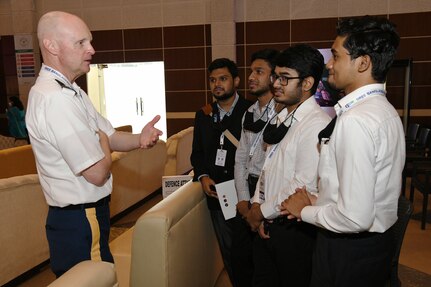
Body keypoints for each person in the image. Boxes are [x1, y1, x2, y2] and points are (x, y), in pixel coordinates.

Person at [26, 11, 163, 277]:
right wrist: (101, 139)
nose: (92, 49)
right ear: (51, 46)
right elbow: (98, 172)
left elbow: (110, 136)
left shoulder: (71, 90)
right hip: (79, 218)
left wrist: (139, 139)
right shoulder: (55, 99)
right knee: (95, 280)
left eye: (89, 41)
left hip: (83, 217)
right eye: (81, 43)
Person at [281, 16, 405, 287]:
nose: (329, 64)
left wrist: (304, 211)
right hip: (372, 248)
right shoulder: (384, 110)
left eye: (336, 56)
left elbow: (354, 217)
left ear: (363, 63)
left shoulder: (356, 120)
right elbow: (366, 194)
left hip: (348, 251)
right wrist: (320, 200)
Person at [244, 44, 331, 287]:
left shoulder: (315, 125)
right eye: (276, 76)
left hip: (294, 229)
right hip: (270, 221)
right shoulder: (283, 116)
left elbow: (301, 185)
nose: (276, 84)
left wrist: (260, 212)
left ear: (307, 83)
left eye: (285, 78)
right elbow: (267, 169)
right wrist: (256, 204)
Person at [190, 58, 252, 283]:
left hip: (247, 193)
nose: (217, 84)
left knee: (249, 252)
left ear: (236, 81)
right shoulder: (204, 115)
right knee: (229, 252)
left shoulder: (251, 112)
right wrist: (203, 175)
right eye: (213, 80)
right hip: (219, 194)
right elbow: (197, 153)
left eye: (223, 79)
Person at [232, 48, 279, 287]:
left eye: (259, 72)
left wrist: (259, 207)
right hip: (246, 189)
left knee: (267, 265)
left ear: (274, 77)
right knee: (243, 261)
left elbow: (276, 167)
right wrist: (241, 200)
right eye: (251, 71)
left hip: (268, 194)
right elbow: (240, 158)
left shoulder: (282, 114)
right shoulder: (249, 112)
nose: (251, 77)